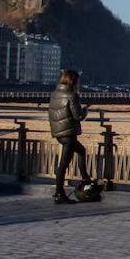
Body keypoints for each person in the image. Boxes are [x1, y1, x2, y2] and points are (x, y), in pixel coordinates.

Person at [48, 69, 92, 205]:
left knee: (81, 151)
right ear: (73, 81)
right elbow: (77, 116)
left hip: (59, 133)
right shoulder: (72, 95)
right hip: (68, 134)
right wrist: (85, 110)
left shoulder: (55, 94)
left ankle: (85, 178)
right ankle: (60, 194)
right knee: (63, 165)